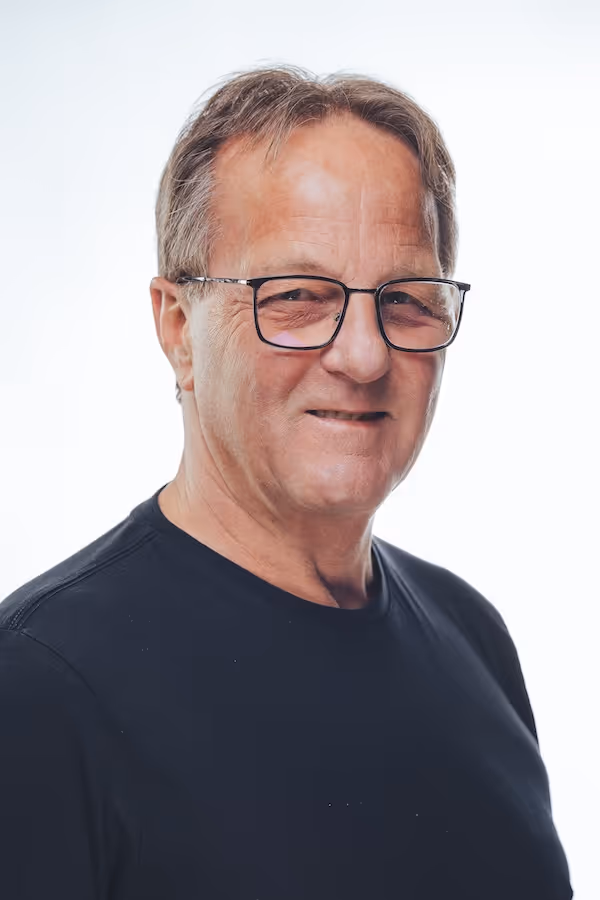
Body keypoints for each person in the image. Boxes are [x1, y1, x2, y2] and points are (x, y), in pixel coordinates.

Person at [0, 66, 573, 900]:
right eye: (297, 296)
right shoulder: (37, 690)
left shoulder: (473, 636)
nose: (365, 355)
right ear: (178, 329)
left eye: (407, 299)